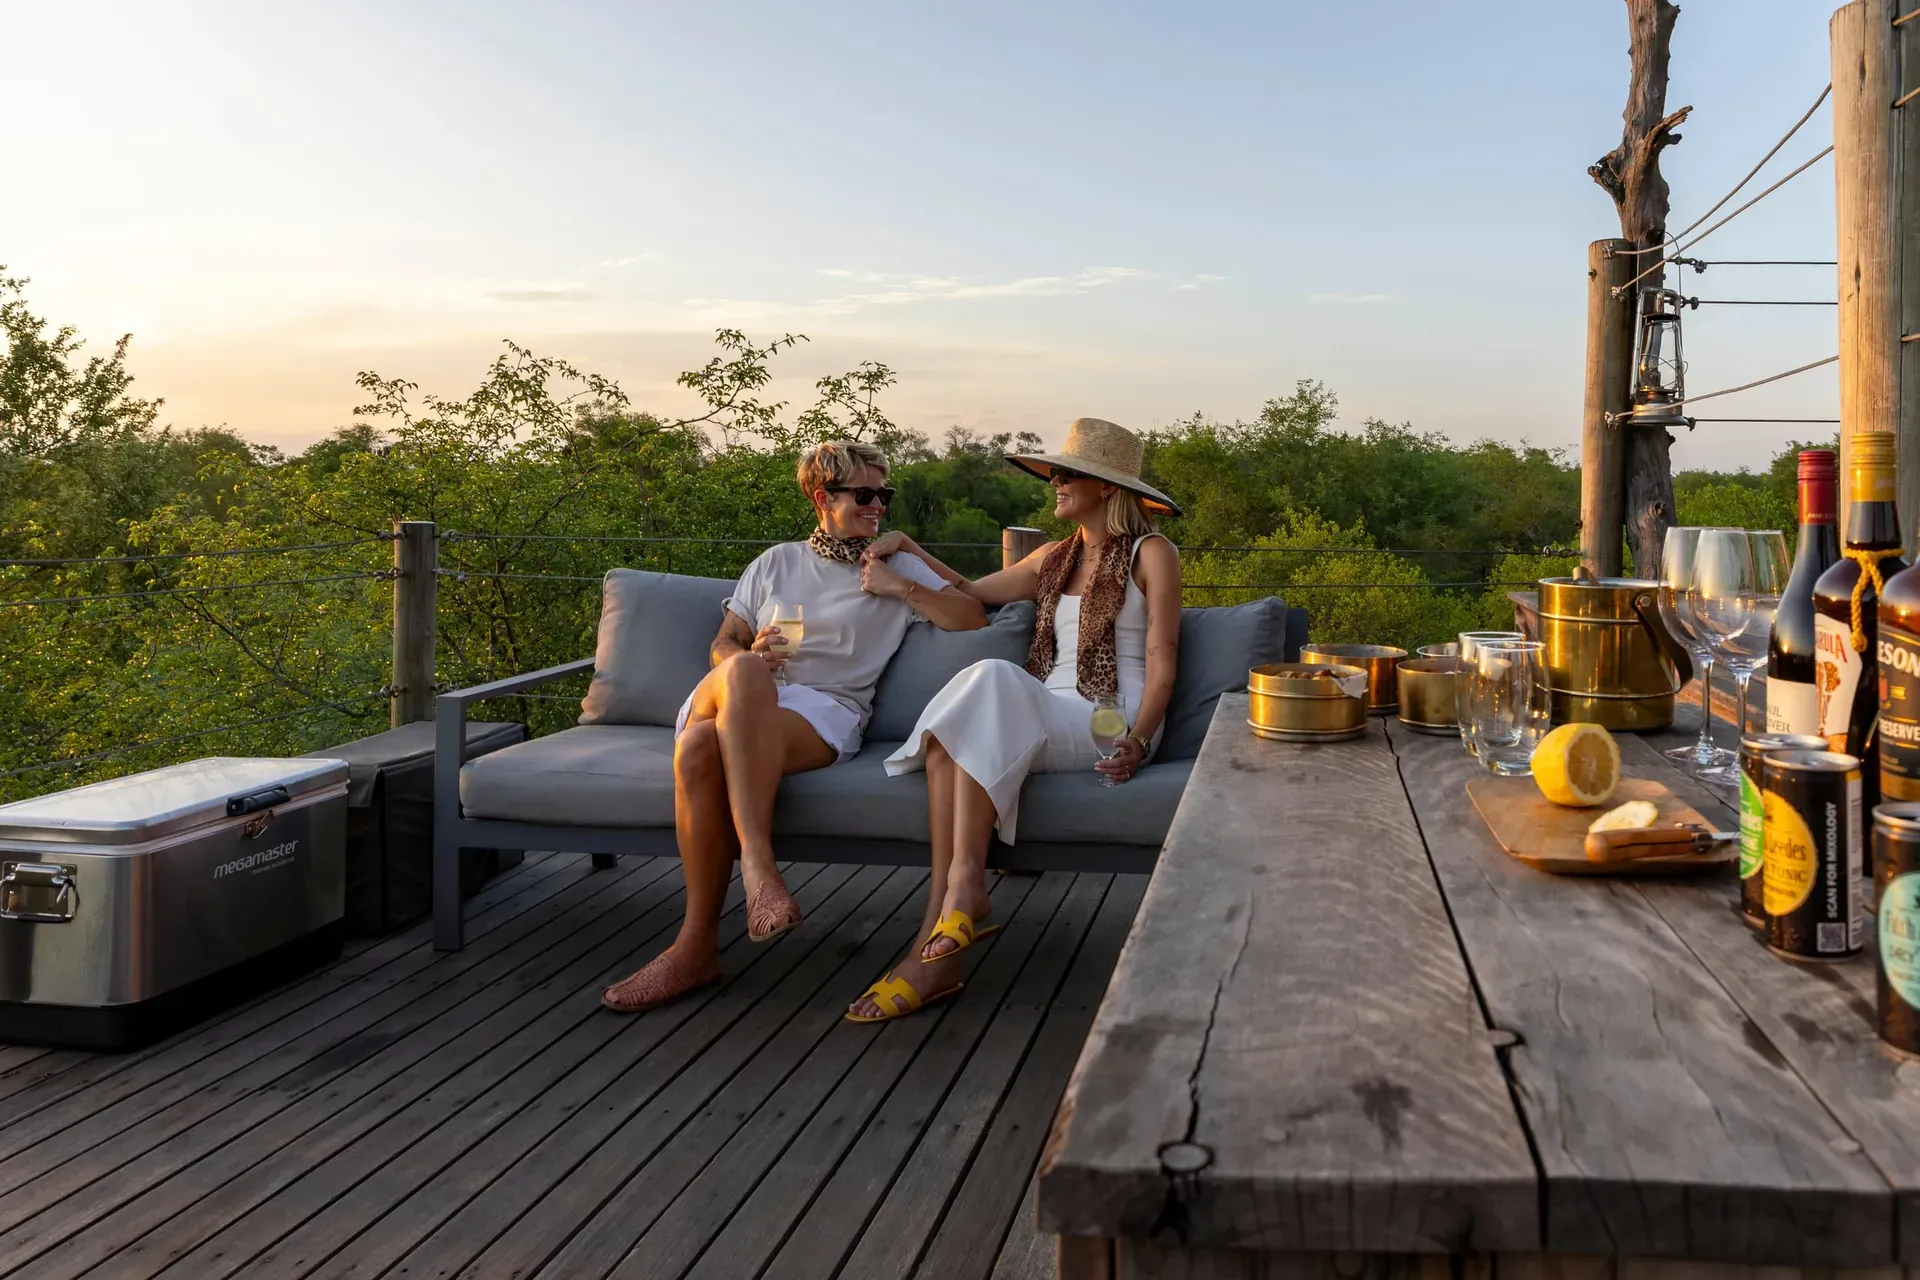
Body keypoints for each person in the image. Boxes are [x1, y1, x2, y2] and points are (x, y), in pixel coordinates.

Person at [602, 439, 986, 1013]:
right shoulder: (775, 562)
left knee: (701, 748)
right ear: (820, 497)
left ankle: (695, 947)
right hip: (747, 693)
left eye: (884, 494)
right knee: (747, 672)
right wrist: (747, 654)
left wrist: (901, 581)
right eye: (863, 494)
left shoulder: (891, 567)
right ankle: (755, 868)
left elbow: (973, 613)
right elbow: (722, 644)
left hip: (825, 712)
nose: (877, 505)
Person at [846, 418, 1183, 1023]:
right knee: (959, 732)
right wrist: (909, 550)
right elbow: (973, 591)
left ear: (1106, 487)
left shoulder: (1151, 552)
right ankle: (955, 907)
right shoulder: (1057, 557)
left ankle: (956, 908)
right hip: (1048, 709)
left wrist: (1138, 738)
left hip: (1114, 719)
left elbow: (1163, 661)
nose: (1053, 481)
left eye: (1065, 474)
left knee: (992, 686)